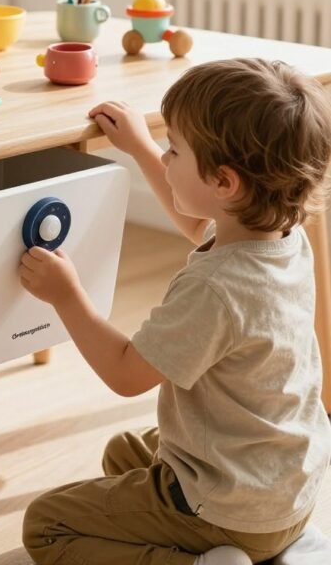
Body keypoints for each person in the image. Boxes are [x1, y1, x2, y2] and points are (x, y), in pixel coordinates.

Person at [19, 58, 331, 565]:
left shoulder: (216, 289)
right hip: (285, 487)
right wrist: (142, 149)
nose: (165, 158)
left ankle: (204, 561)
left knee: (47, 525)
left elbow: (125, 373)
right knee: (125, 452)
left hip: (233, 510)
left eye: (173, 150)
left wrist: (66, 296)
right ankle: (271, 544)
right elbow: (198, 226)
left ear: (224, 182)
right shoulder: (282, 238)